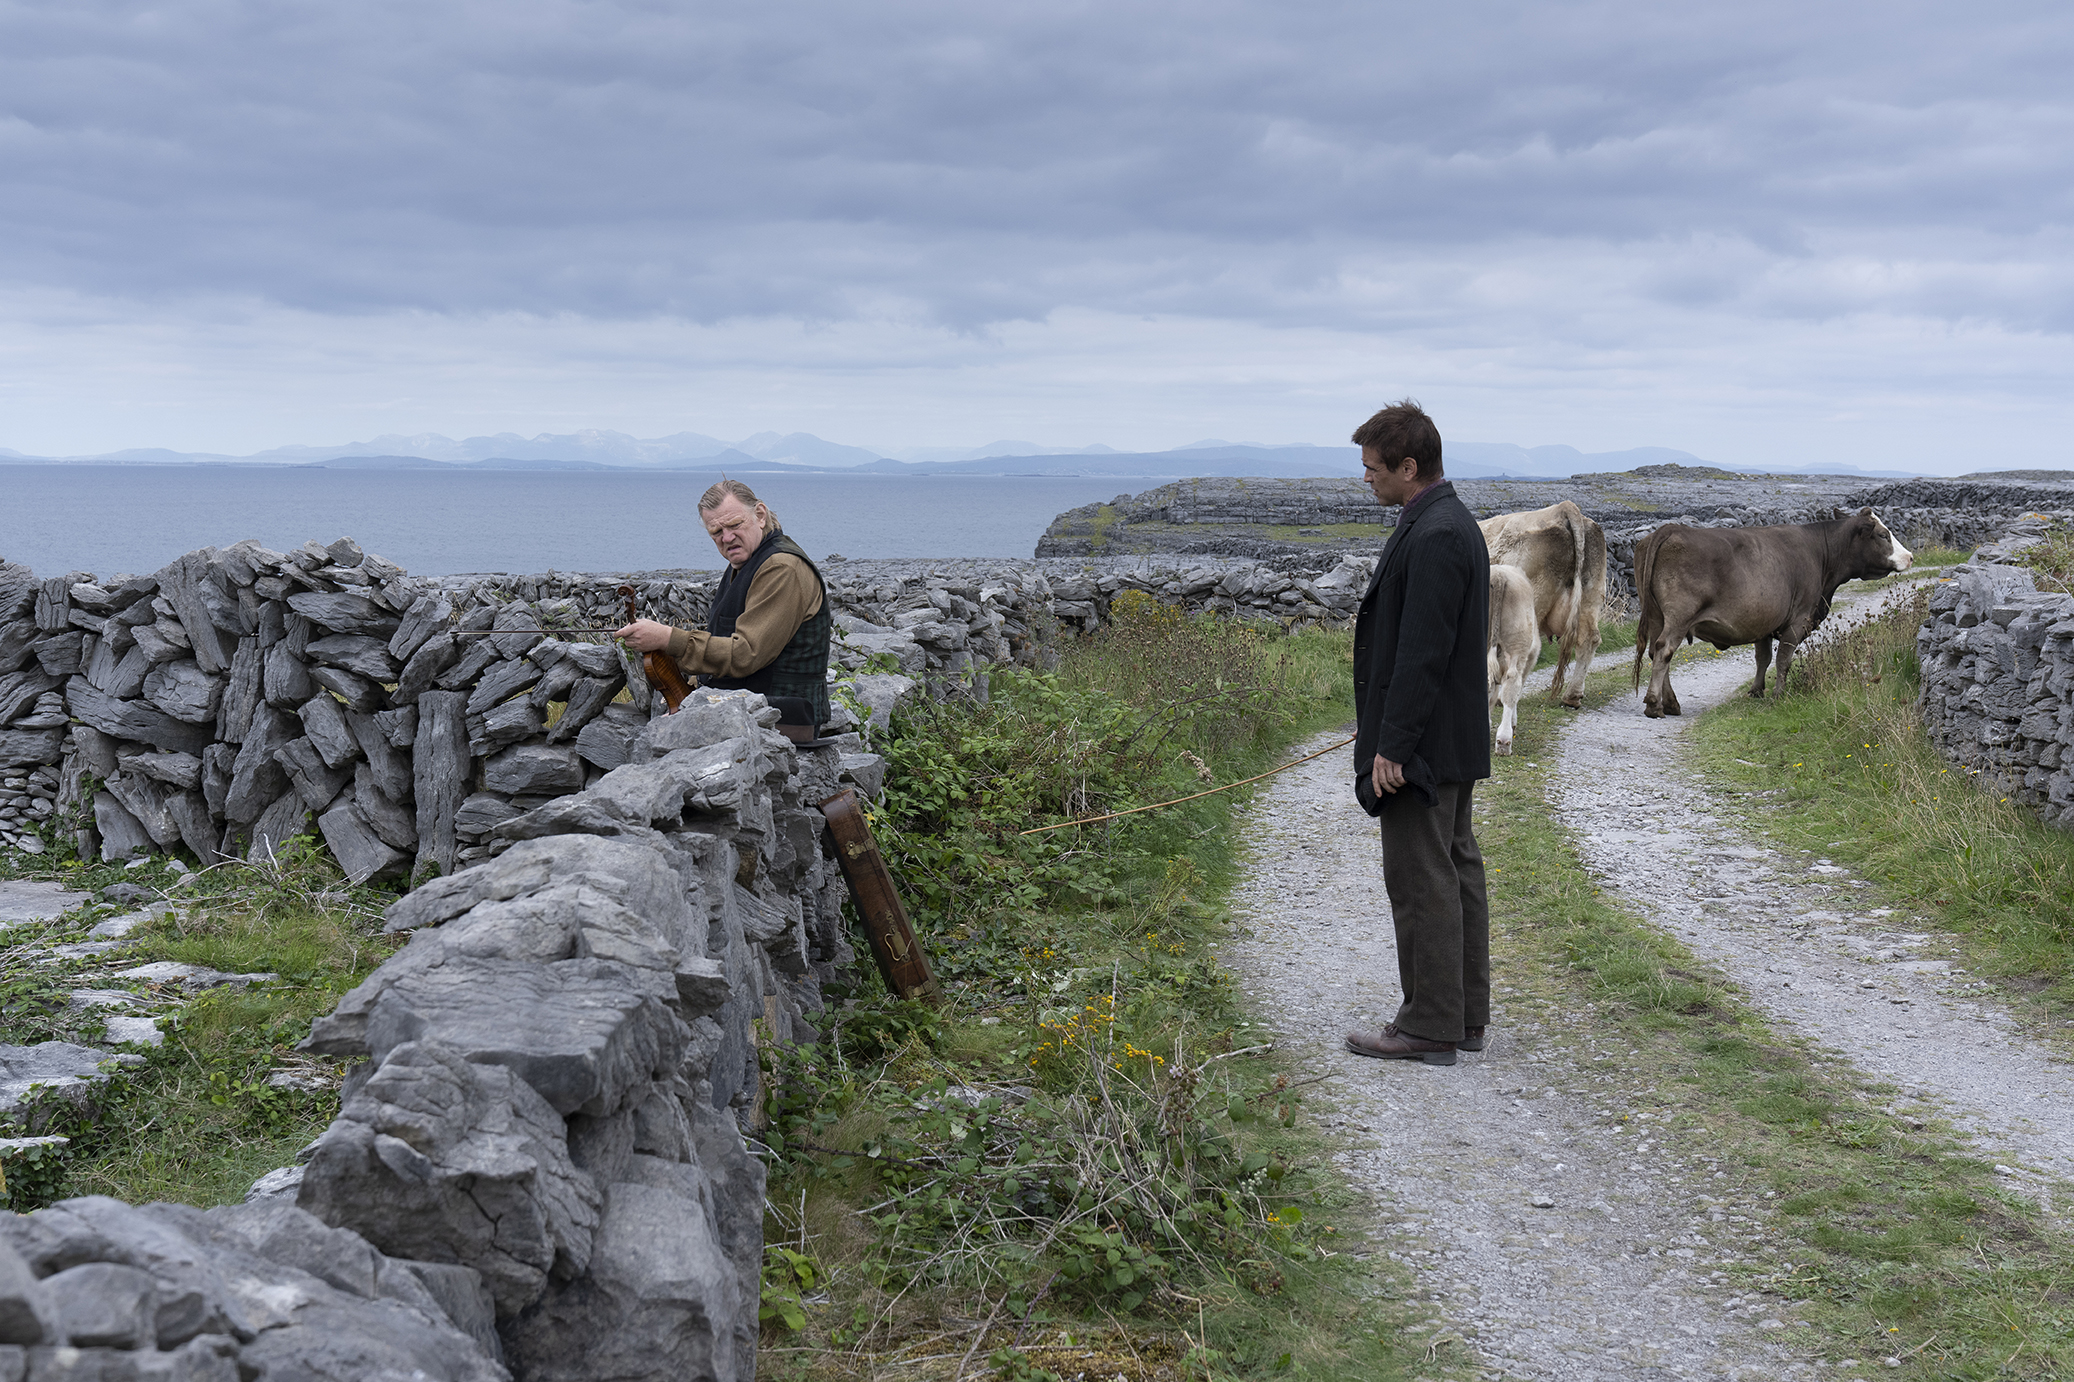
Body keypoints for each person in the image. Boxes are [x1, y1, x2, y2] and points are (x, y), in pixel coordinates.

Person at [1344, 400, 1492, 1067]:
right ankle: (1463, 1014)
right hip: (1450, 739)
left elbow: (1422, 653)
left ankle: (1430, 1024)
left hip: (1423, 748)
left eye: (1375, 468)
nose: (1367, 478)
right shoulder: (1450, 522)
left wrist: (1392, 747)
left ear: (1410, 467)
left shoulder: (1435, 534)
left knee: (1421, 875)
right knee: (1455, 870)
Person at [615, 479, 833, 727]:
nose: (727, 537)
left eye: (734, 524)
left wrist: (668, 639)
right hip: (750, 715)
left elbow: (745, 654)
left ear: (760, 515)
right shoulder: (747, 562)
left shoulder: (782, 568)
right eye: (716, 532)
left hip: (784, 722)